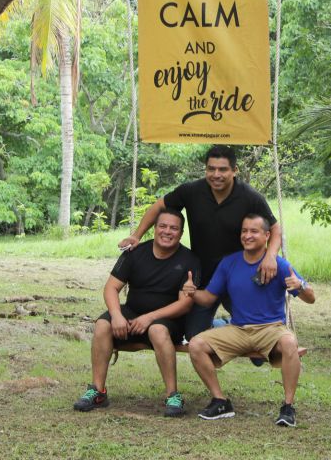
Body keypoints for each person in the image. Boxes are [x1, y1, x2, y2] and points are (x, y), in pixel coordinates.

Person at [119, 145, 282, 339]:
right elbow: (158, 207)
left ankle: (232, 323)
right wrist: (137, 235)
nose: (216, 174)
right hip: (204, 277)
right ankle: (220, 325)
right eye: (211, 169)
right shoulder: (192, 191)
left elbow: (275, 228)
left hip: (237, 275)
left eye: (223, 169)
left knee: (255, 336)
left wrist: (270, 256)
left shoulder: (250, 197)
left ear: (234, 171)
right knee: (194, 334)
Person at [183, 214, 315, 427]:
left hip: (271, 329)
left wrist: (300, 285)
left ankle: (288, 407)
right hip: (239, 329)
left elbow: (311, 298)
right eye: (244, 231)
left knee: (290, 342)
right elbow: (207, 298)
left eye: (254, 231)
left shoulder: (278, 265)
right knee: (196, 344)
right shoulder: (229, 263)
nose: (247, 235)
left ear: (266, 235)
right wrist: (191, 292)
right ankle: (220, 401)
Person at [73, 208, 200, 417]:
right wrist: (116, 315)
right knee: (102, 324)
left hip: (168, 321)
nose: (167, 232)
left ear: (181, 232)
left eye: (174, 228)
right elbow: (111, 287)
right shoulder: (135, 253)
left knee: (158, 330)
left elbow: (184, 304)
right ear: (155, 228)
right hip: (131, 313)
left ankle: (173, 396)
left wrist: (150, 318)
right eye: (163, 226)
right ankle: (97, 391)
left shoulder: (190, 260)